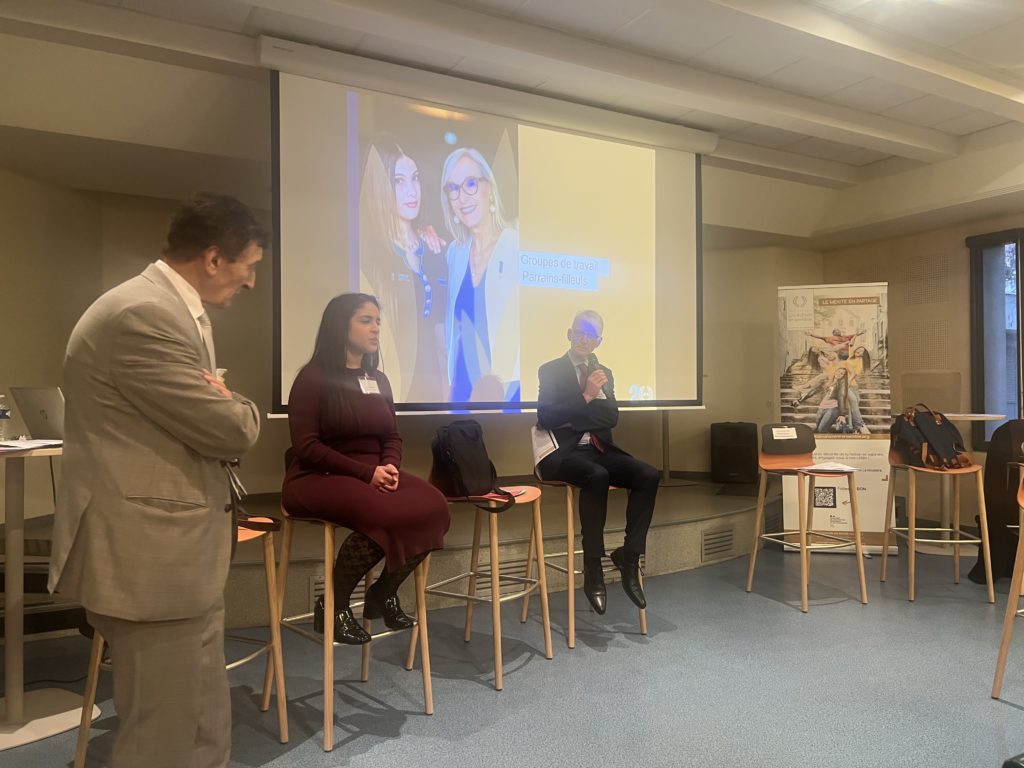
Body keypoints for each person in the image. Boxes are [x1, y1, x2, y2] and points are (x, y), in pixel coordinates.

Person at [47, 193, 265, 768]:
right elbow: (232, 429)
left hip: (175, 548)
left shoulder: (167, 308)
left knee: (201, 723)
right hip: (150, 553)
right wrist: (238, 403)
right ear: (213, 258)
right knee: (162, 737)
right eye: (249, 265)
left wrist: (221, 400)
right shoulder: (142, 314)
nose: (251, 281)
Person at [283, 293, 450, 644]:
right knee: (385, 513)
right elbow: (307, 447)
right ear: (339, 325)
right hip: (319, 475)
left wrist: (389, 465)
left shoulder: (378, 379)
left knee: (435, 506)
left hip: (374, 472)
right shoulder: (312, 378)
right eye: (365, 320)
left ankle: (383, 592)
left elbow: (392, 435)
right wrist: (367, 474)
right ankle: (334, 605)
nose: (375, 328)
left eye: (378, 321)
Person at [535, 310, 659, 614]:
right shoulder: (550, 370)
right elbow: (547, 417)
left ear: (599, 341)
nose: (584, 339)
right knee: (597, 475)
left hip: (599, 449)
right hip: (561, 454)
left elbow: (611, 417)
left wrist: (573, 416)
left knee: (648, 474)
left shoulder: (605, 371)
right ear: (569, 334)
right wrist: (588, 396)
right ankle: (593, 567)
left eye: (591, 335)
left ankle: (629, 557)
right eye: (580, 332)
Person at [359, 138, 448, 401]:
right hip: (388, 391)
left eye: (415, 178)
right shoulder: (371, 254)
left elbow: (442, 336)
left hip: (434, 392)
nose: (412, 191)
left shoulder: (435, 249)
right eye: (399, 181)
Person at [441, 147, 520, 402]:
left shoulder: (516, 244)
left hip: (506, 387)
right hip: (462, 386)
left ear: (490, 189)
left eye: (471, 183)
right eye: (453, 188)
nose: (462, 197)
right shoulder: (455, 253)